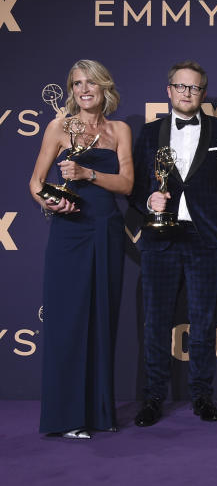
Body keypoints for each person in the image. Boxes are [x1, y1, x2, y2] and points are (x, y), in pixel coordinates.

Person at [29, 60, 133, 438]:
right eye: (76, 84)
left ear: (105, 87)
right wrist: (50, 203)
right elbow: (36, 182)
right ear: (70, 91)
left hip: (105, 229)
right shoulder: (58, 128)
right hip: (69, 231)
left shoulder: (119, 130)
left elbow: (125, 184)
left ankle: (100, 413)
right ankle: (67, 417)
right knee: (68, 321)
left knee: (102, 318)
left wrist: (89, 174)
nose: (84, 90)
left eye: (91, 83)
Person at [130, 60, 217, 427]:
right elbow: (135, 186)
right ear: (169, 90)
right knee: (156, 321)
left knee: (204, 322)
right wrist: (149, 201)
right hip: (161, 237)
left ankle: (202, 395)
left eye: (194, 88)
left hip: (207, 238)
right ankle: (153, 397)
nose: (187, 93)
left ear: (203, 93)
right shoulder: (148, 133)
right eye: (180, 87)